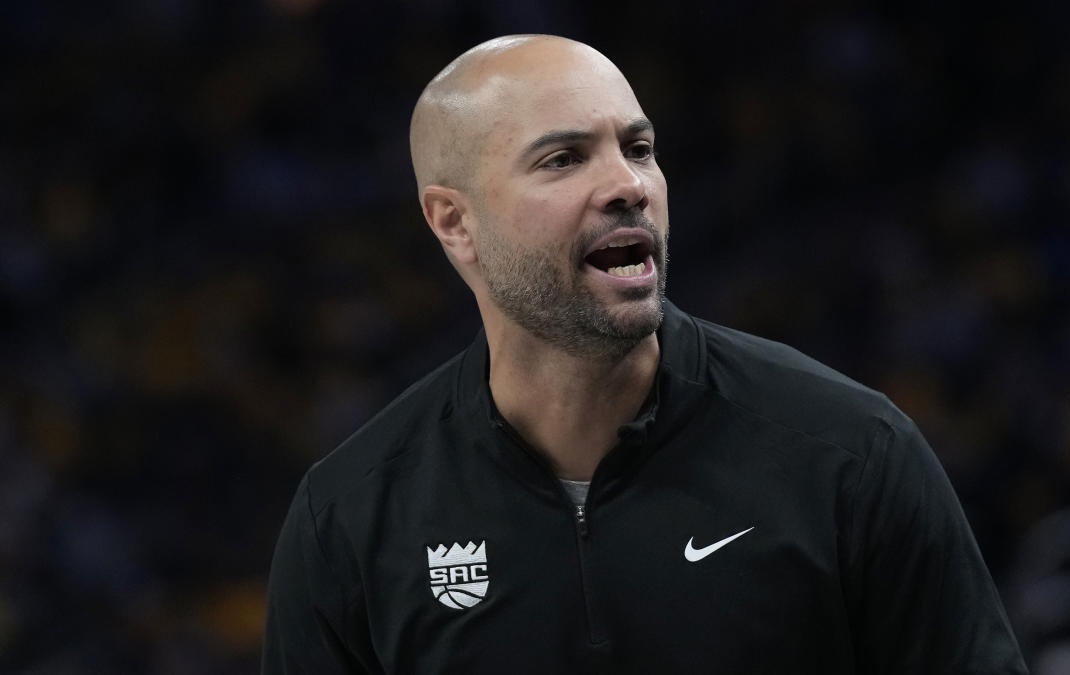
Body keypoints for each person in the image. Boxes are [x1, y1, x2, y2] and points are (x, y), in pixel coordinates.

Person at [262, 34, 1029, 673]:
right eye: (563, 159)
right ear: (453, 221)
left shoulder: (850, 453)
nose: (627, 183)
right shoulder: (350, 518)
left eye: (638, 147)